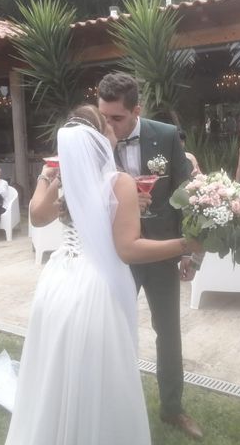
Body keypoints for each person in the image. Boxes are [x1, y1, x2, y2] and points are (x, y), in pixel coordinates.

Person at [0, 105, 202, 445]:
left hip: (59, 282)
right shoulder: (118, 181)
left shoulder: (69, 178)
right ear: (99, 135)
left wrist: (50, 174)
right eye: (107, 123)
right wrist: (184, 243)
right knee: (100, 368)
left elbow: (38, 216)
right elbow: (128, 250)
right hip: (96, 286)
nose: (113, 128)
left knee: (60, 364)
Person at [97, 73, 203, 440]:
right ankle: (110, 404)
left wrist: (189, 254)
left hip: (160, 251)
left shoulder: (166, 135)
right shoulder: (94, 139)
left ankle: (173, 408)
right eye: (104, 116)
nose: (108, 125)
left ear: (136, 109)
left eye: (117, 118)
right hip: (115, 255)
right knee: (110, 331)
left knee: (168, 333)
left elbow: (187, 194)